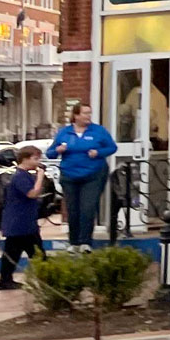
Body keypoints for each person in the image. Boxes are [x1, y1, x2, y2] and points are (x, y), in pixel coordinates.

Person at [44, 103, 116, 252]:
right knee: (73, 208)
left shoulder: (98, 131)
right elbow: (50, 153)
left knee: (88, 207)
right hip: (70, 175)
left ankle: (85, 242)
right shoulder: (64, 132)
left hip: (93, 174)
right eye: (85, 113)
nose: (88, 116)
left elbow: (112, 147)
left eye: (90, 113)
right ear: (76, 115)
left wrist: (99, 153)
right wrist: (58, 149)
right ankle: (74, 242)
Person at [0, 146, 46, 290]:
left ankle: (6, 280)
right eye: (35, 158)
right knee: (38, 254)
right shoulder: (20, 176)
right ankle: (48, 279)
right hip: (20, 223)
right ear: (25, 159)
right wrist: (40, 177)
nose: (38, 162)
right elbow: (32, 193)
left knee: (13, 253)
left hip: (23, 222)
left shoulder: (25, 175)